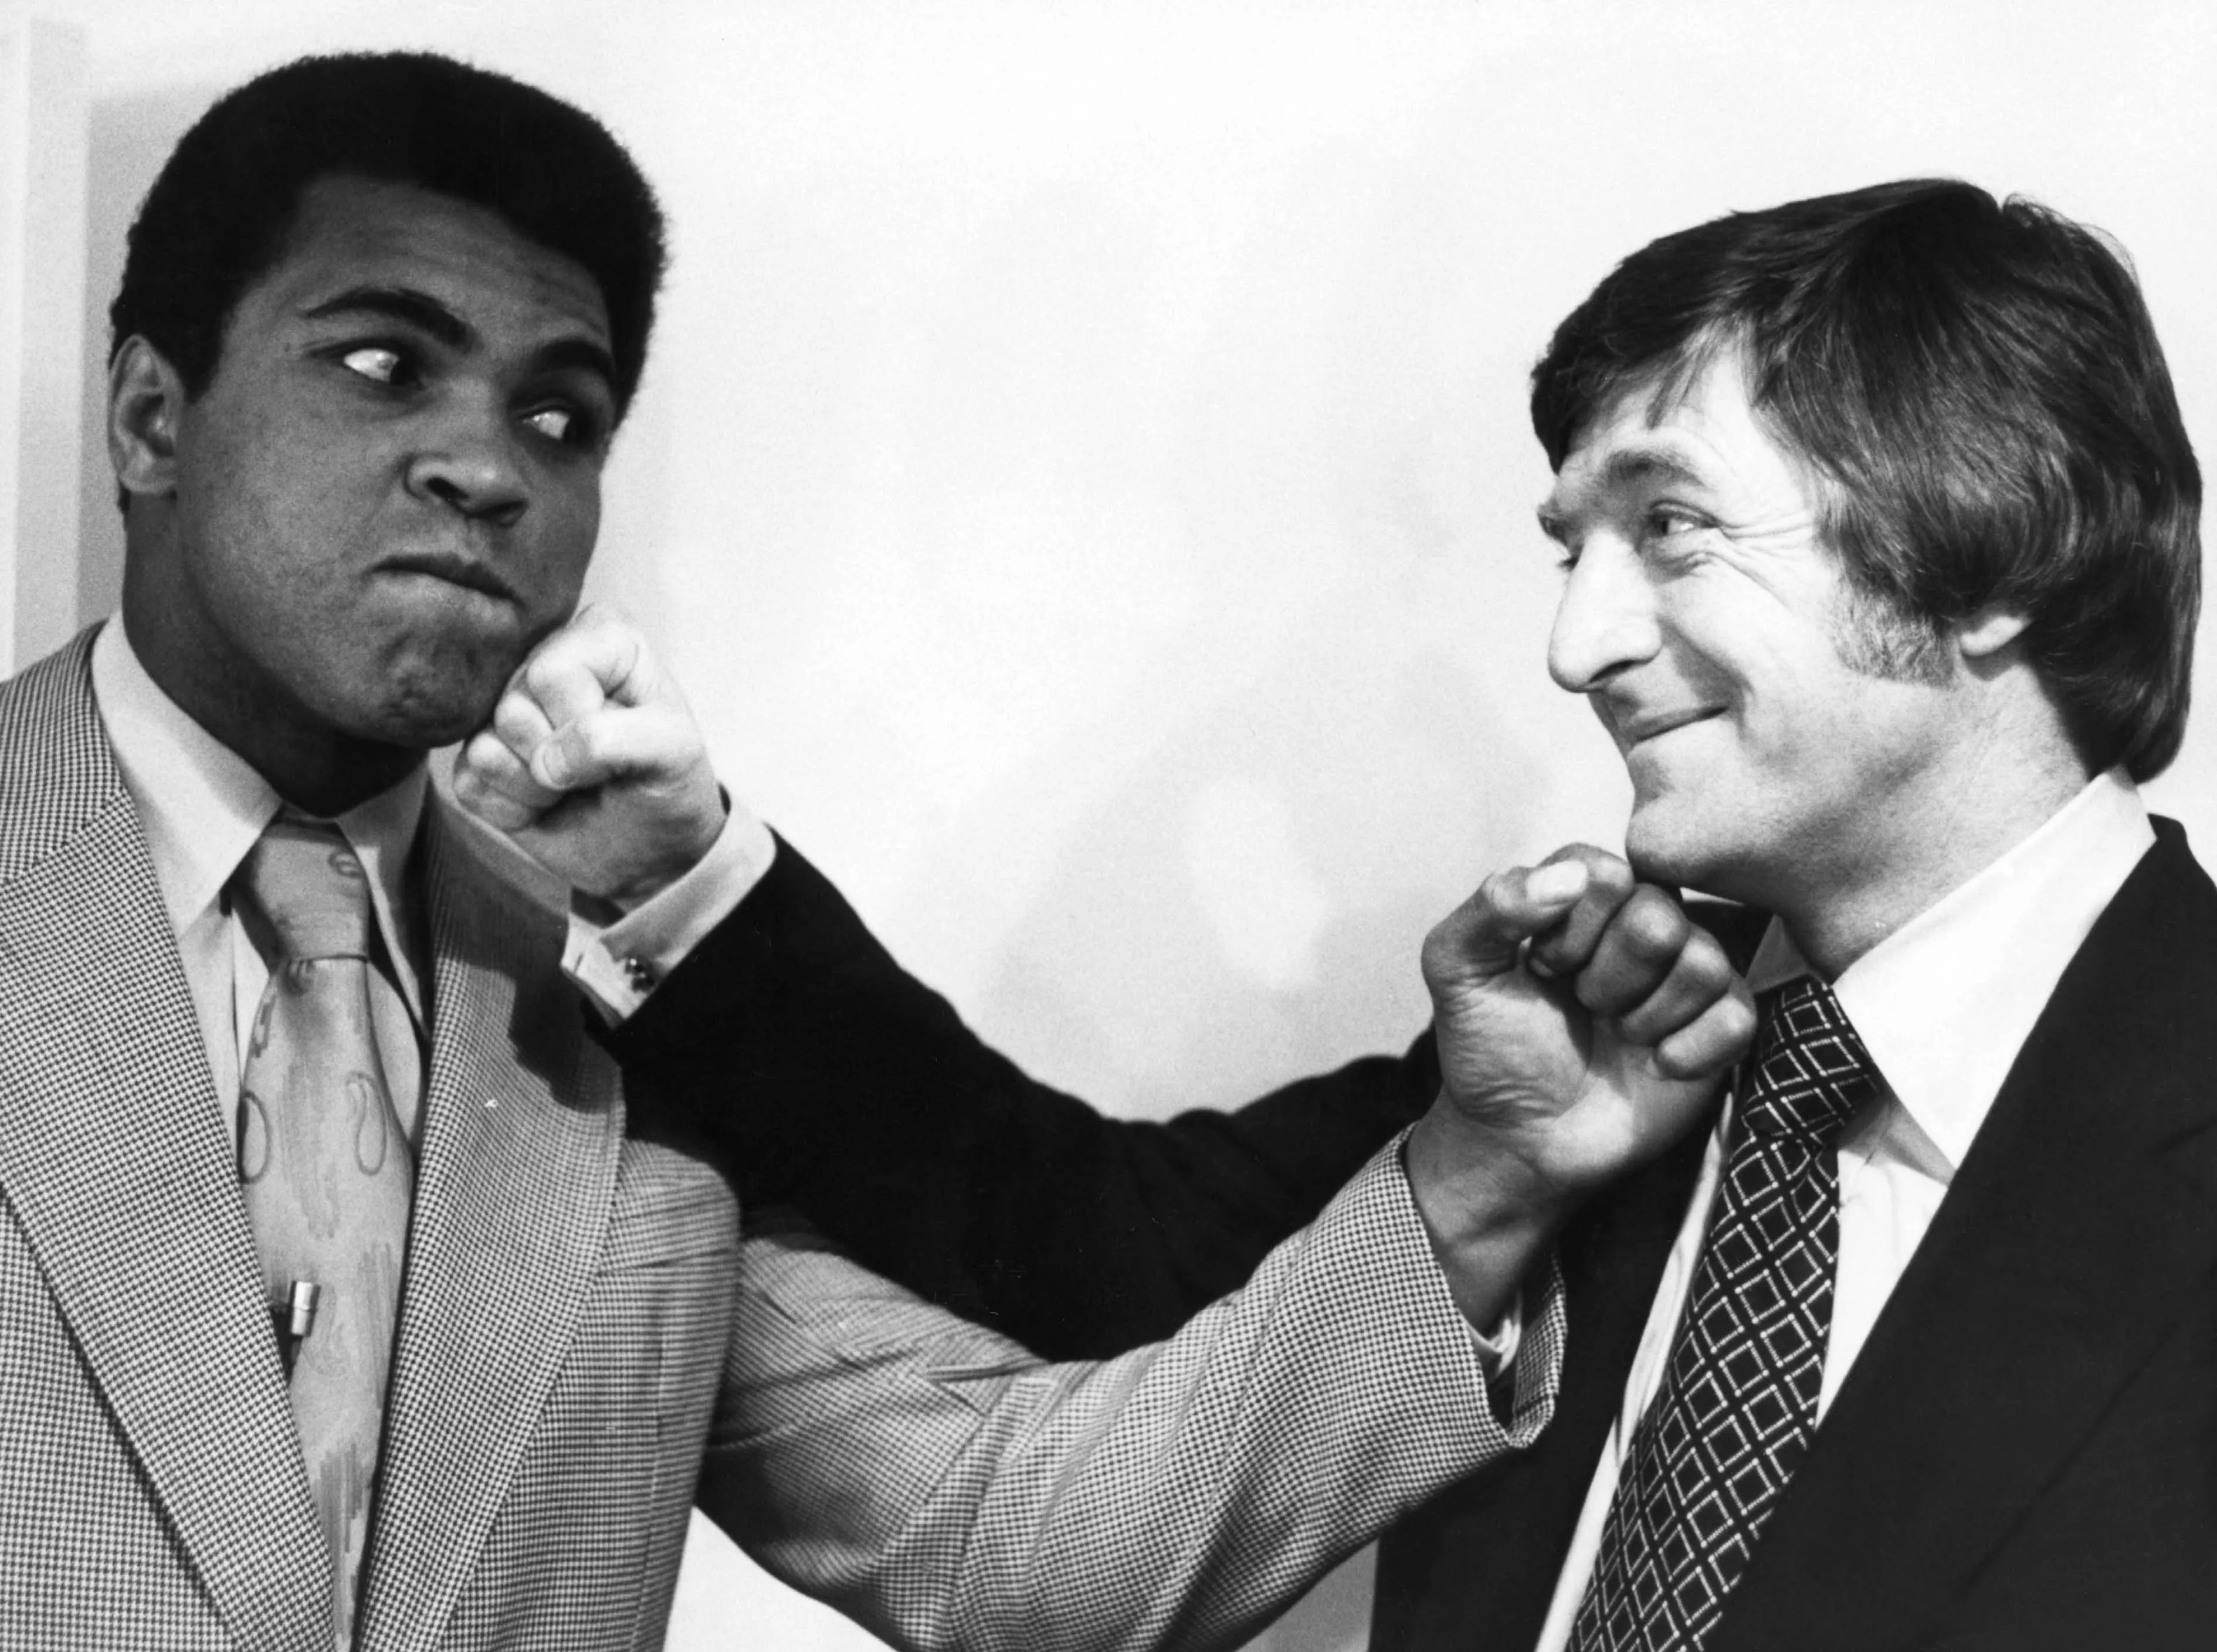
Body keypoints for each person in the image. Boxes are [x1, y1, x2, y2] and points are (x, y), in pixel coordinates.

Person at [0, 48, 1754, 1652]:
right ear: (152, 417)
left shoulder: (603, 1015)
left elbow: (1007, 1536)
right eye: (383, 365)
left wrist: (1484, 1180)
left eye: (560, 414)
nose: (484, 464)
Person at [488, 178, 2213, 1650]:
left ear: (1993, 560)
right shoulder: (1595, 1047)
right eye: (1570, 548)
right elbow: (1072, 1243)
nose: (1576, 645)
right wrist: (673, 862)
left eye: (1669, 526)